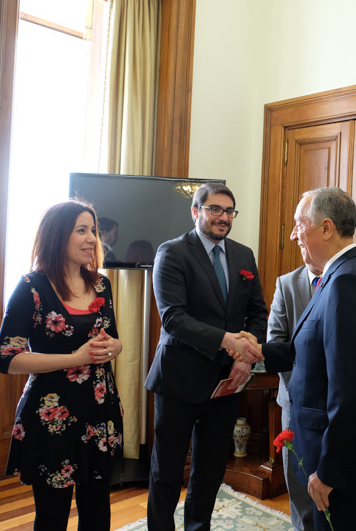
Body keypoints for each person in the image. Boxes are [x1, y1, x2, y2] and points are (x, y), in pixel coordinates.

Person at [236, 187, 356, 531]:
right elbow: (314, 350)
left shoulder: (348, 281)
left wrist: (329, 470)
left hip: (346, 460)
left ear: (327, 228)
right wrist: (259, 349)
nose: (294, 234)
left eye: (301, 224)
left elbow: (349, 388)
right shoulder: (343, 273)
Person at [144, 182, 267, 530]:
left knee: (210, 470)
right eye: (215, 209)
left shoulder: (244, 255)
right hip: (178, 380)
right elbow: (173, 318)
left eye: (229, 211)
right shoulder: (172, 252)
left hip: (226, 381)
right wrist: (227, 340)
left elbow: (258, 313)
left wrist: (244, 357)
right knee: (167, 472)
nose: (223, 217)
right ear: (196, 211)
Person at [0, 200, 124, 531]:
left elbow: (111, 338)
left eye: (93, 230)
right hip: (52, 417)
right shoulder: (31, 287)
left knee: (98, 513)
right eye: (81, 230)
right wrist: (74, 359)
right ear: (57, 235)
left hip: (100, 411)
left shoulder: (102, 284)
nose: (92, 238)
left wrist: (116, 346)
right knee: (52, 516)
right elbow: (7, 358)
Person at [268, 262, 322, 531]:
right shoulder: (286, 283)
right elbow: (276, 342)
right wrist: (301, 390)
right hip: (294, 400)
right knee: (298, 479)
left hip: (334, 402)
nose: (298, 242)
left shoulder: (344, 280)